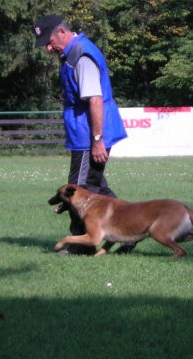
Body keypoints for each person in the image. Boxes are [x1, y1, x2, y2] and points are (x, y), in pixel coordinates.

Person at [34, 14, 127, 254]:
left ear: (62, 33)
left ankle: (79, 243)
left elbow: (95, 100)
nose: (47, 47)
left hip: (90, 137)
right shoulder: (70, 56)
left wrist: (97, 140)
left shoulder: (81, 56)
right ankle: (131, 231)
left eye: (49, 41)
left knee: (77, 191)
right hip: (83, 136)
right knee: (97, 188)